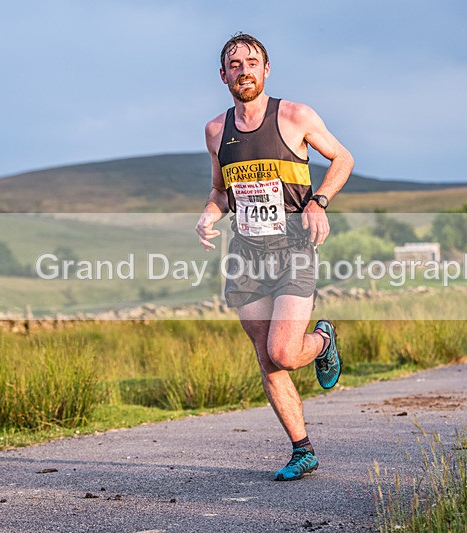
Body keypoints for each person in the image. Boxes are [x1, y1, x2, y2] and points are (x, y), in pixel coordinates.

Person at [194, 33, 353, 481]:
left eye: (252, 62)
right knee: (266, 358)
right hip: (245, 255)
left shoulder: (295, 115)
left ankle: (322, 339)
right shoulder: (215, 131)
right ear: (223, 75)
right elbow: (220, 192)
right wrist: (208, 213)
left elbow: (342, 157)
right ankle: (302, 450)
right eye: (234, 63)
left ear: (266, 70)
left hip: (292, 249)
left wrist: (319, 200)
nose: (243, 69)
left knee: (283, 352)